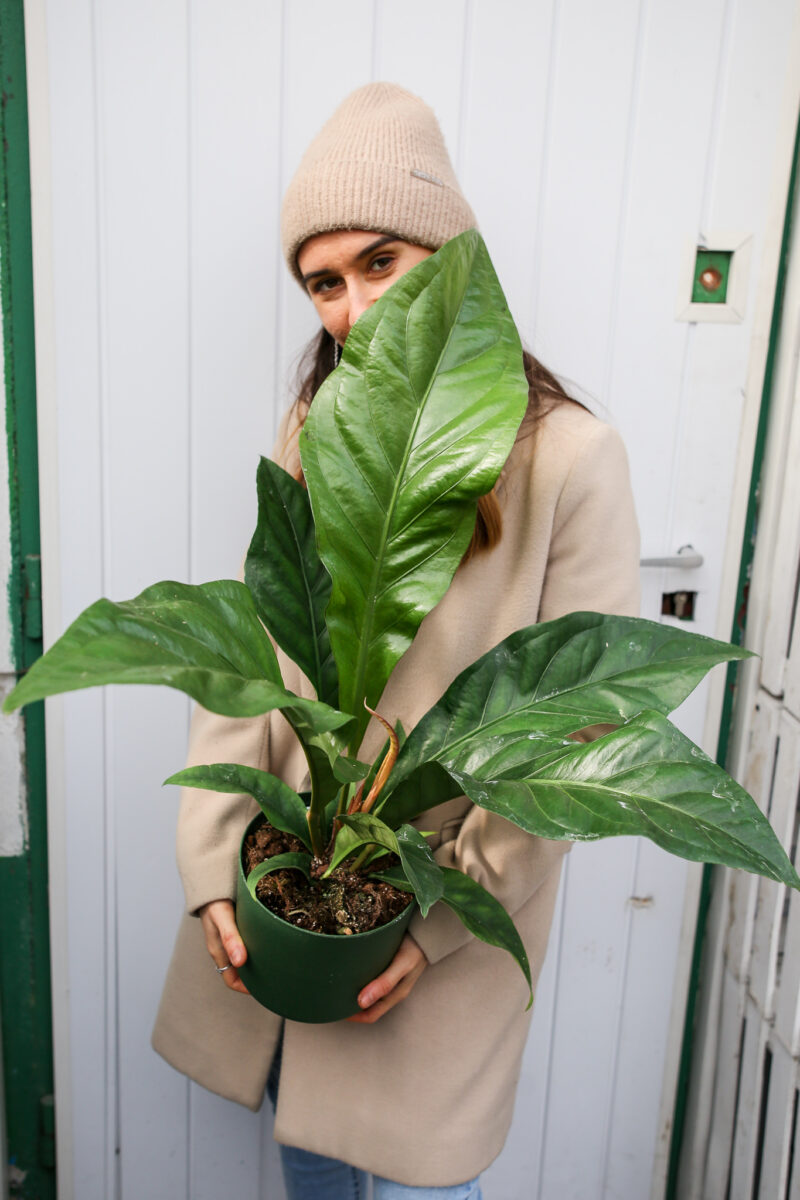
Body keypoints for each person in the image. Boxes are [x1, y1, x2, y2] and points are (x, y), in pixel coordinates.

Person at [152, 82, 640, 1199]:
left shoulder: (570, 459)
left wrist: (434, 928)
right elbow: (247, 663)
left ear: (452, 262)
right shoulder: (311, 435)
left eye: (381, 262)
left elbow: (573, 727)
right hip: (283, 902)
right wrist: (210, 874)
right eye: (323, 280)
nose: (350, 306)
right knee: (310, 1167)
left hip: (429, 934)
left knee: (417, 1178)